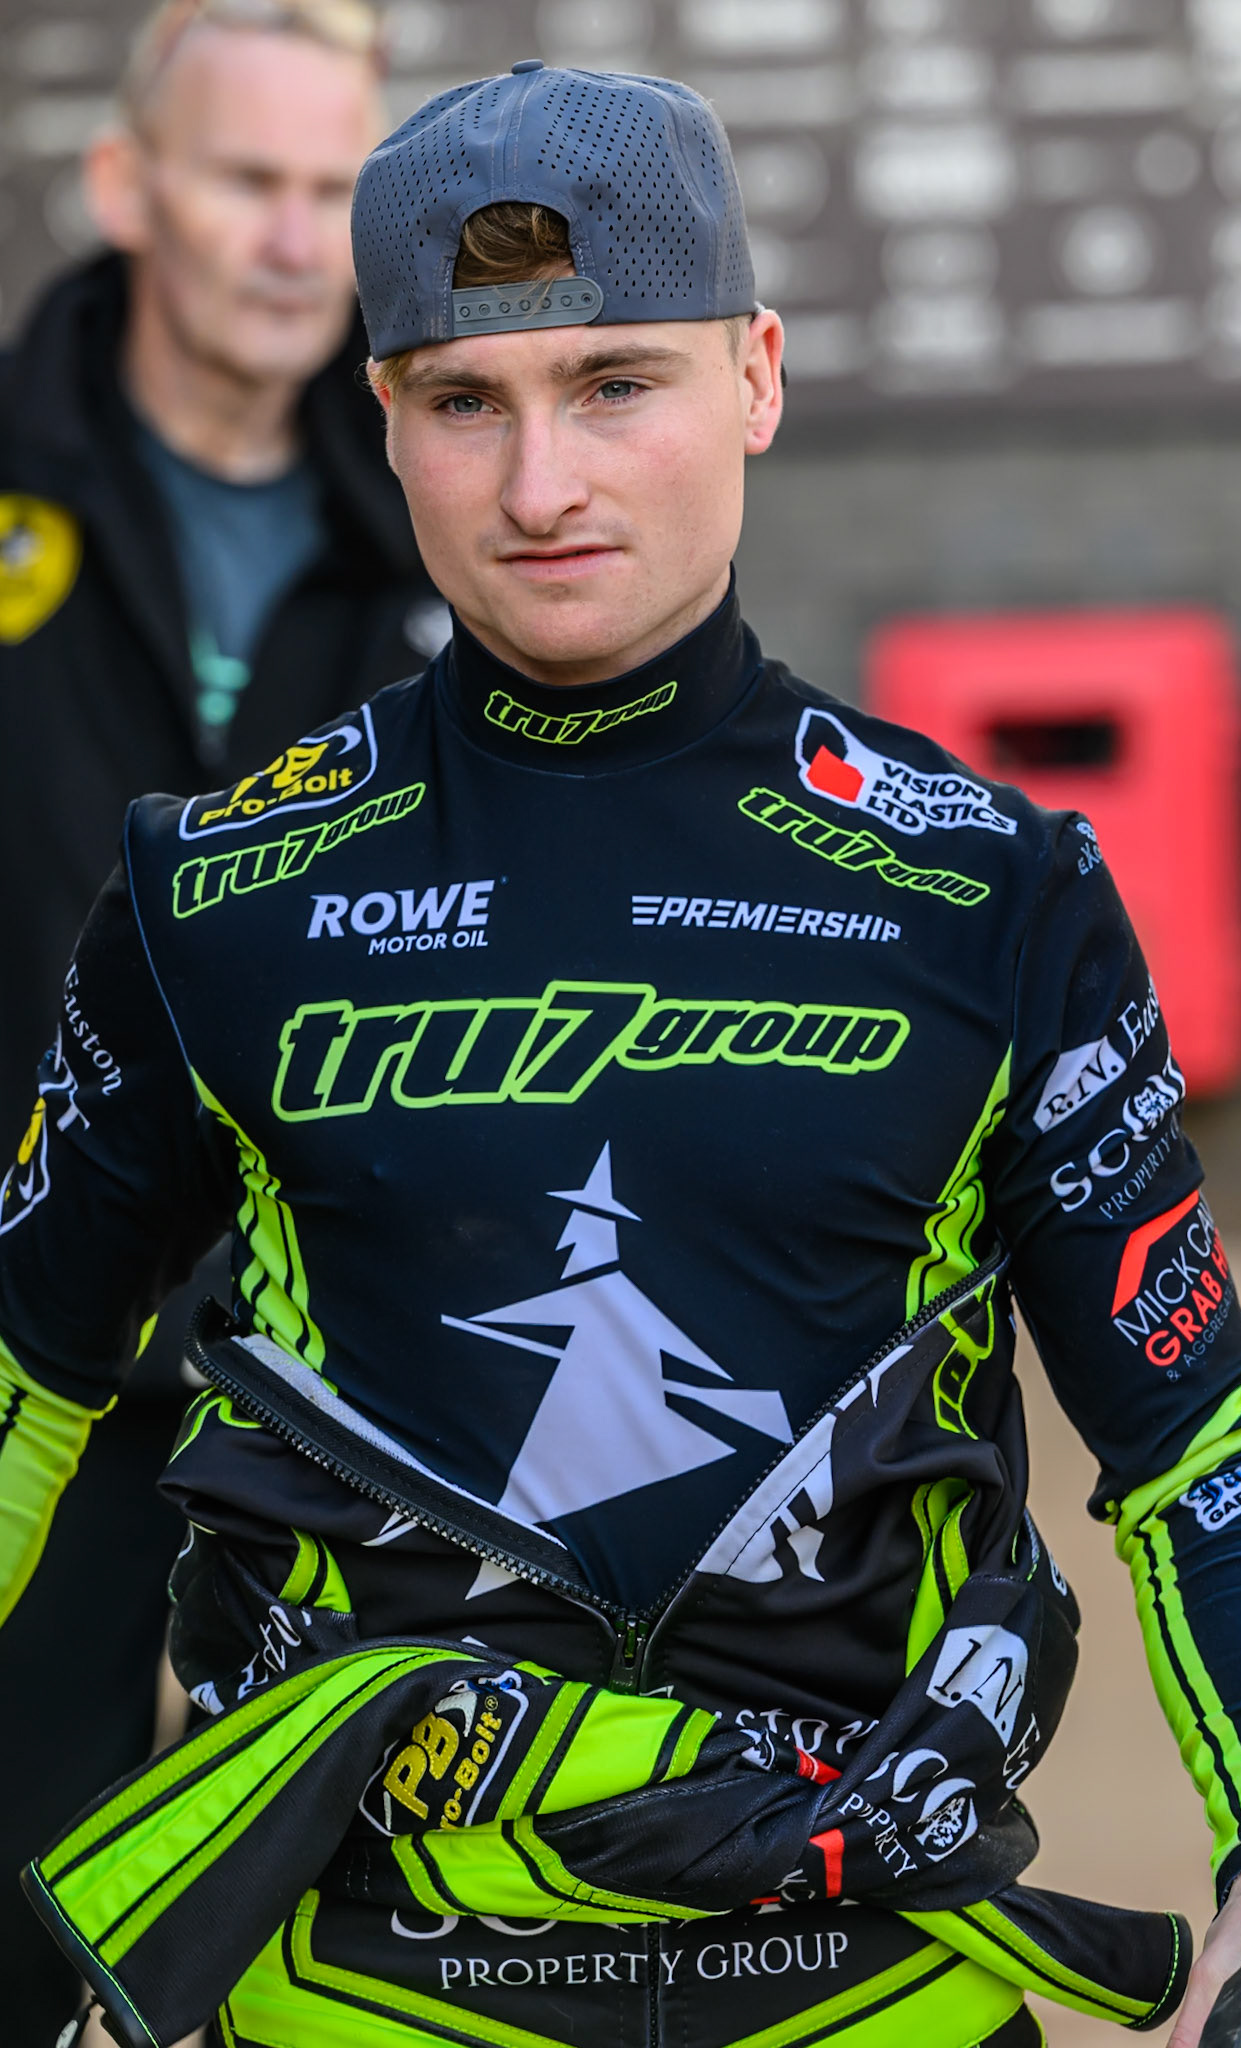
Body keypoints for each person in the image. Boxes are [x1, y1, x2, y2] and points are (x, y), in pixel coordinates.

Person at [1, 59, 1241, 2048]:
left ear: (756, 377)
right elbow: (28, 1389)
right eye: (465, 400)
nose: (539, 485)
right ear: (383, 418)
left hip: (867, 1986)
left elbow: (1193, 1447)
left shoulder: (989, 888)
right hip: (363, 1993)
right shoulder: (220, 893)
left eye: (611, 384)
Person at [0, 1, 435, 2035]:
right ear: (124, 188)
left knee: (345, 1949)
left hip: (337, 1385)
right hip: (28, 1360)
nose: (292, 236)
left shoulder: (458, 525)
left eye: (334, 187)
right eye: (246, 179)